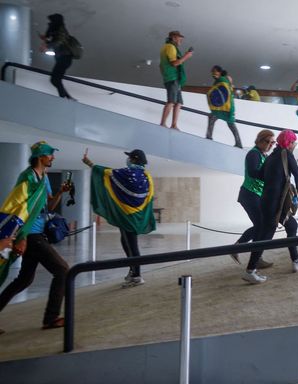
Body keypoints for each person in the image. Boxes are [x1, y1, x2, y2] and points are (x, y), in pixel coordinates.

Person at [0, 141, 70, 332]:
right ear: (41, 157)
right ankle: (51, 318)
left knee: (24, 280)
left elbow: (49, 205)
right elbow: (18, 207)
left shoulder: (44, 177)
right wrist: (20, 237)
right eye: (50, 155)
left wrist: (60, 193)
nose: (53, 157)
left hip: (37, 233)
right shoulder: (27, 177)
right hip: (29, 235)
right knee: (62, 270)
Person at [242, 130, 298, 284]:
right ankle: (250, 270)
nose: (294, 145)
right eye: (293, 142)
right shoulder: (286, 154)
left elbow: (259, 175)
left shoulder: (271, 156)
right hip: (276, 203)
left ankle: (296, 261)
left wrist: (274, 178)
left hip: (266, 201)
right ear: (289, 143)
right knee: (266, 236)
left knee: (291, 226)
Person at [82, 148, 156, 288]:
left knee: (131, 245)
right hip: (135, 215)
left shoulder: (127, 173)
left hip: (127, 215)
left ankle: (137, 275)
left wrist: (90, 163)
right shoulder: (147, 176)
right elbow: (149, 197)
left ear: (134, 159)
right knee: (126, 241)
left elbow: (107, 173)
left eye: (130, 157)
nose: (128, 160)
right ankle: (132, 270)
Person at [230, 129, 276, 270]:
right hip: (250, 194)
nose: (270, 145)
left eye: (272, 142)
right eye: (267, 142)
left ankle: (253, 254)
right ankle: (241, 249)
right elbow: (253, 172)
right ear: (260, 141)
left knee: (262, 226)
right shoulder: (254, 154)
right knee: (262, 226)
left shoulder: (263, 154)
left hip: (257, 195)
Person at [159, 31, 193, 130]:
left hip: (173, 78)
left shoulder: (166, 47)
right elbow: (174, 63)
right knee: (171, 101)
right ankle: (163, 123)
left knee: (178, 103)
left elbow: (160, 65)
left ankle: (174, 125)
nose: (181, 41)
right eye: (179, 38)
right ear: (174, 38)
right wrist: (186, 56)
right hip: (172, 78)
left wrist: (165, 75)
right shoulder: (170, 47)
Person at [39, 14, 75, 100]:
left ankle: (65, 98)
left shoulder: (60, 30)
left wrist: (47, 46)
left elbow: (59, 42)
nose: (49, 23)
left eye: (51, 21)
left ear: (55, 21)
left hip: (65, 58)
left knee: (55, 80)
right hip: (62, 59)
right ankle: (67, 98)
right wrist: (46, 40)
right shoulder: (55, 29)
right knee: (55, 79)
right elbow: (55, 40)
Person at [205, 65, 242, 147]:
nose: (213, 73)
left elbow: (224, 91)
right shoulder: (220, 80)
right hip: (223, 107)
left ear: (219, 72)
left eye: (214, 71)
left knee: (230, 124)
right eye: (212, 71)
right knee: (213, 117)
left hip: (226, 107)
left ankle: (209, 136)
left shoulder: (222, 79)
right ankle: (209, 136)